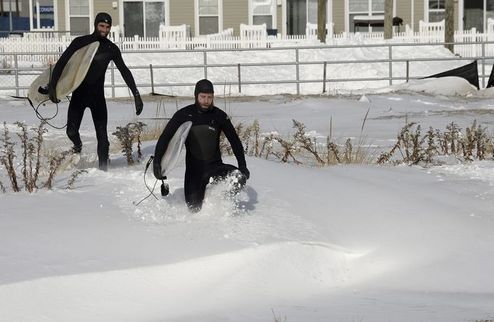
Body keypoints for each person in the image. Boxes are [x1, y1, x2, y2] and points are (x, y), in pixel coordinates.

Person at [48, 12, 143, 171]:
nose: (104, 30)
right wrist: (53, 86)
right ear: (95, 25)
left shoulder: (111, 49)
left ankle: (103, 171)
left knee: (102, 137)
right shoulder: (81, 42)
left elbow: (124, 71)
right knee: (71, 131)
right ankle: (77, 146)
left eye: (107, 27)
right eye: (102, 26)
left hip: (97, 97)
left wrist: (136, 94)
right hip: (79, 94)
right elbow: (62, 62)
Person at [153, 79, 250, 212]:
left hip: (215, 167)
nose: (206, 100)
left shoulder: (219, 116)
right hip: (194, 172)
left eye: (209, 97)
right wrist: (157, 162)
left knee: (238, 177)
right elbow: (165, 137)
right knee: (194, 209)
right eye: (203, 97)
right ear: (196, 96)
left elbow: (235, 141)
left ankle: (223, 207)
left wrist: (243, 165)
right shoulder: (184, 114)